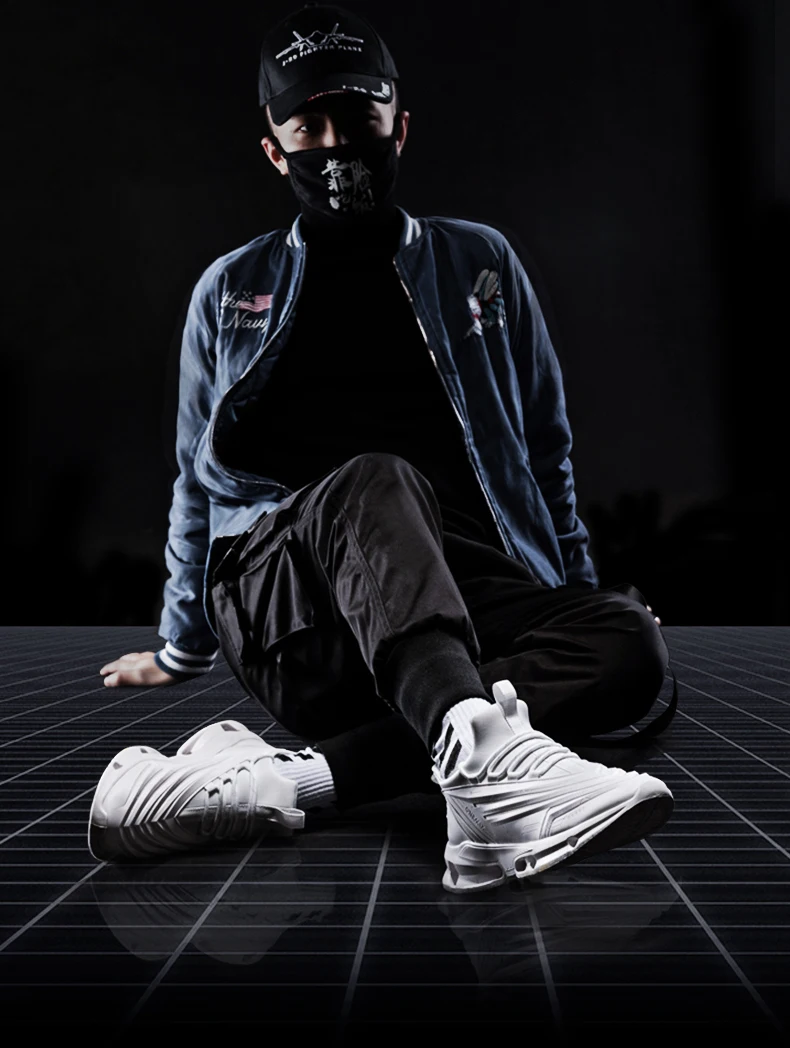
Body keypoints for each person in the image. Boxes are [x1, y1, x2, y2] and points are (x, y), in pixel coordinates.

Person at [89, 2, 677, 893]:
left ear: (399, 126)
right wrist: (179, 650)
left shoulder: (479, 264)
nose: (336, 146)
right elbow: (195, 480)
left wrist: (574, 594)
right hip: (294, 605)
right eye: (309, 127)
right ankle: (486, 770)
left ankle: (293, 780)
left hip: (451, 593)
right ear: (275, 150)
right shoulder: (231, 290)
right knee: (376, 480)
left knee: (626, 641)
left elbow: (544, 451)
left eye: (358, 118)